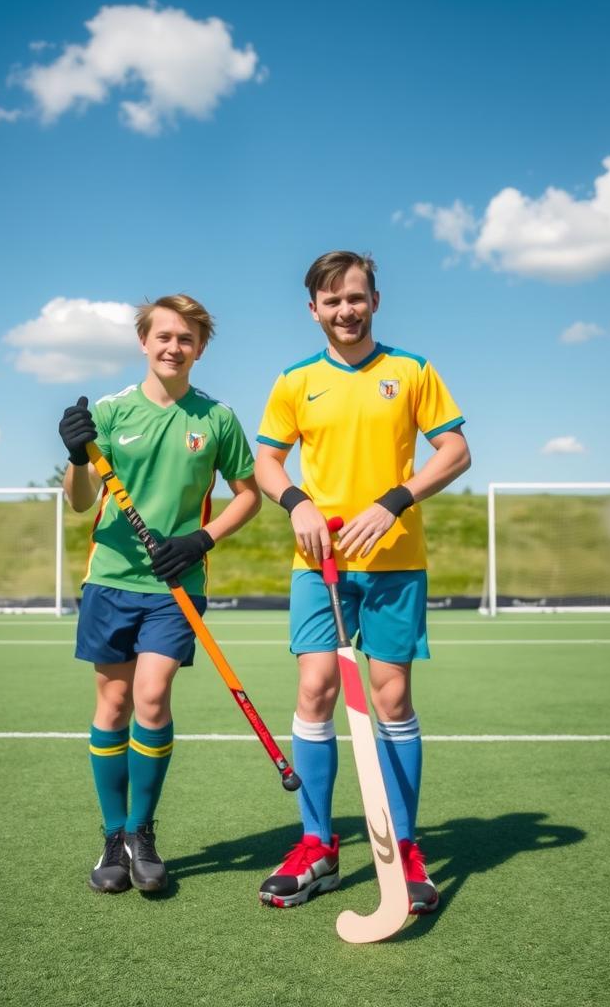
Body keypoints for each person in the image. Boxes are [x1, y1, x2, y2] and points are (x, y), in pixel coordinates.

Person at [254, 251, 470, 914]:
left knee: (392, 695)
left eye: (356, 297)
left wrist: (394, 501)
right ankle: (317, 845)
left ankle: (404, 849)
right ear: (313, 309)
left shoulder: (412, 371)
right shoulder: (294, 380)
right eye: (331, 300)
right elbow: (267, 460)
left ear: (375, 300)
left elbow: (456, 452)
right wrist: (297, 503)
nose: (345, 309)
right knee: (316, 689)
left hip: (396, 560)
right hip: (318, 566)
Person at [57, 293, 260, 895]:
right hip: (111, 579)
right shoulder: (113, 413)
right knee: (113, 705)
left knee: (152, 695)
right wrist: (75, 456)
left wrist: (202, 539)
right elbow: (78, 502)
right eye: (164, 336)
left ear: (200, 348)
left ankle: (142, 832)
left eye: (187, 339)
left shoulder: (216, 418)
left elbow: (248, 495)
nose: (175, 347)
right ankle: (112, 838)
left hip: (176, 586)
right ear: (144, 342)